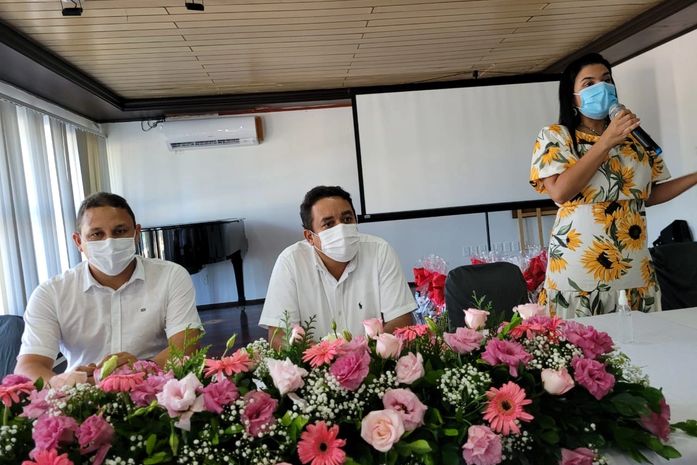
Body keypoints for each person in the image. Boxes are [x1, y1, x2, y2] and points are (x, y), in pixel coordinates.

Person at [530, 53, 697, 318]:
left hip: (633, 264)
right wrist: (606, 141)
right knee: (583, 341)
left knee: (641, 338)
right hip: (580, 266)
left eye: (607, 80)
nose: (602, 87)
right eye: (589, 83)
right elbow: (560, 192)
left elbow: (647, 194)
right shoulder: (556, 135)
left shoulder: (633, 139)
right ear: (572, 97)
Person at [15, 192, 203, 383]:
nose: (109, 242)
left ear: (136, 234)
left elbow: (187, 345)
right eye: (97, 234)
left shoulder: (170, 276)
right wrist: (69, 384)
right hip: (81, 392)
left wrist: (141, 369)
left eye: (120, 231)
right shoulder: (51, 293)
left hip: (155, 387)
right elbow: (28, 366)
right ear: (79, 241)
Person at [259, 186, 416, 347]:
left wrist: (363, 354)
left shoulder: (380, 251)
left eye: (347, 219)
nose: (341, 228)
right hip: (314, 362)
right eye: (328, 224)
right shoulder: (290, 262)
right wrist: (325, 355)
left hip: (374, 359)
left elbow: (401, 320)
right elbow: (278, 335)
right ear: (310, 237)